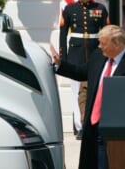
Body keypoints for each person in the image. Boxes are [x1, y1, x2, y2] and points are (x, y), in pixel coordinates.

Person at [51, 24, 125, 169]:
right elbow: (80, 72)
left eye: (103, 43)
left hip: (117, 132)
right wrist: (60, 64)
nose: (99, 46)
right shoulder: (99, 56)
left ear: (116, 44)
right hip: (93, 126)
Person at [59, 0, 109, 140]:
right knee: (76, 92)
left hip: (95, 55)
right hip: (75, 55)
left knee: (95, 90)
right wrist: (63, 58)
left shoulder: (100, 9)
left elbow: (107, 32)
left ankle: (93, 123)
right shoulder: (69, 9)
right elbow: (62, 34)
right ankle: (80, 126)